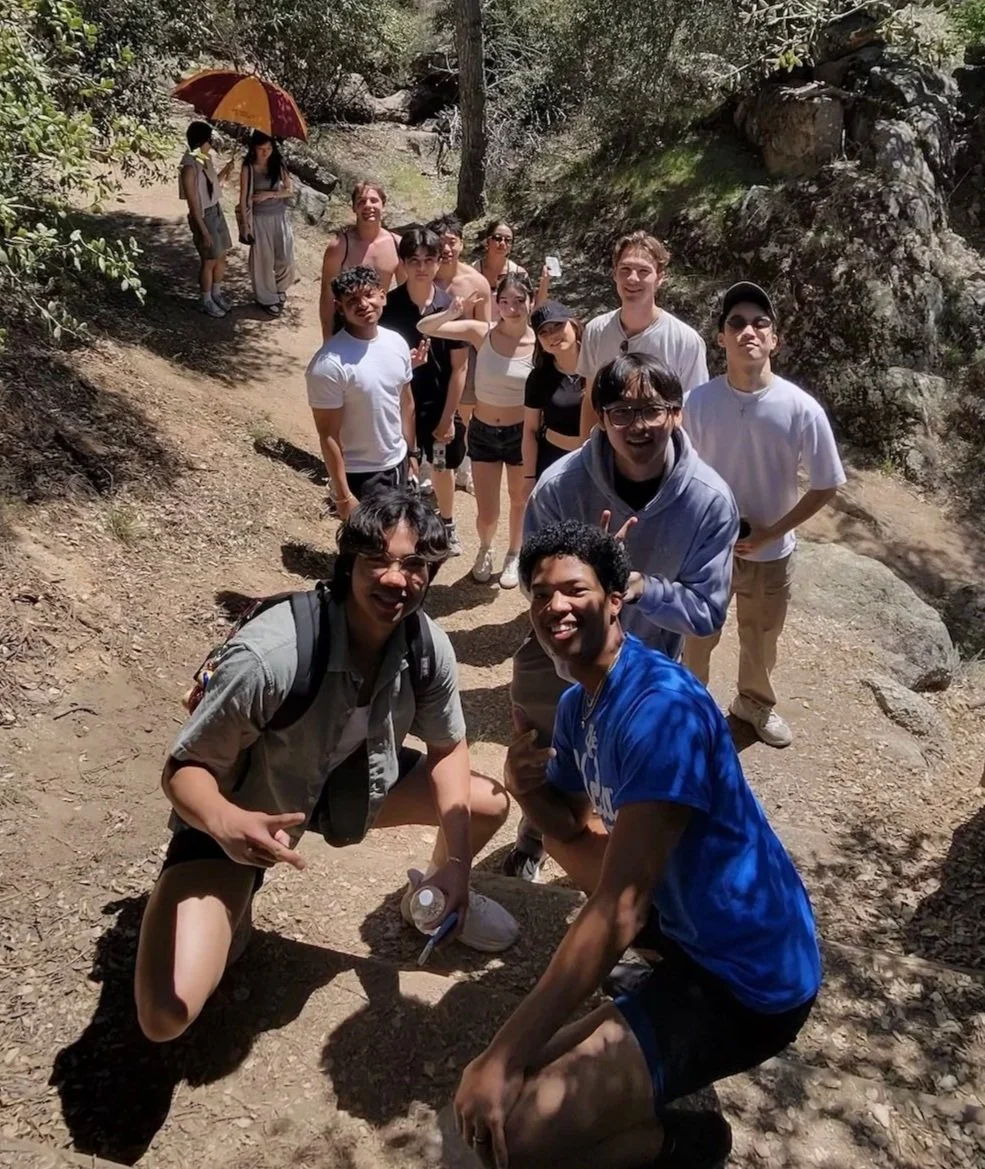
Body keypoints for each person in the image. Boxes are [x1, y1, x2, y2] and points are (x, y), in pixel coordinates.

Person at [453, 520, 820, 1169]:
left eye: (574, 589)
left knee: (518, 1142)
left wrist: (502, 1052)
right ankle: (644, 1005)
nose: (554, 605)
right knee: (505, 1116)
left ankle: (687, 1143)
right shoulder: (579, 705)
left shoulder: (661, 711)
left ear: (615, 599)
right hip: (683, 937)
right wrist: (520, 782)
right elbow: (568, 824)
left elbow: (618, 905)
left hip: (747, 983)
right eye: (540, 593)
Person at [134, 490, 520, 1043]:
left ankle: (433, 899)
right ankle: (228, 901)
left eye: (414, 564)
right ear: (348, 562)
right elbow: (182, 769)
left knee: (486, 805)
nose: (396, 579)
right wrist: (224, 823)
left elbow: (447, 749)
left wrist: (458, 863)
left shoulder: (424, 645)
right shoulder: (272, 657)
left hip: (353, 785)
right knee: (164, 1016)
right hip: (248, 807)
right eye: (377, 559)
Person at [503, 353, 737, 883]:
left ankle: (621, 882)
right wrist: (581, 583)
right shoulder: (561, 486)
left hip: (647, 671)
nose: (638, 425)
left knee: (626, 782)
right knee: (544, 760)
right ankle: (533, 842)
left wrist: (639, 587)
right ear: (601, 417)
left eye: (652, 409)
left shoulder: (708, 502)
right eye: (621, 411)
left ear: (676, 413)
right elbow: (531, 583)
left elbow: (706, 611)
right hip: (558, 660)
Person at [682, 282, 846, 748]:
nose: (748, 331)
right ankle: (690, 708)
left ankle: (753, 705)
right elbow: (679, 470)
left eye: (760, 323)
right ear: (721, 338)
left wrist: (775, 531)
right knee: (697, 635)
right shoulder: (697, 402)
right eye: (736, 323)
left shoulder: (800, 408)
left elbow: (827, 482)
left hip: (771, 552)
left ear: (774, 339)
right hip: (707, 549)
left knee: (761, 638)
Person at [417, 273, 536, 588]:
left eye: (519, 301)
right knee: (487, 512)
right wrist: (451, 313)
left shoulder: (539, 344)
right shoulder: (481, 332)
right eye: (504, 301)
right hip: (483, 432)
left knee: (519, 500)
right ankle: (486, 548)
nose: (511, 309)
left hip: (522, 434)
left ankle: (514, 554)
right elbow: (424, 327)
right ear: (497, 304)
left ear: (531, 302)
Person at [380, 227, 468, 555]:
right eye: (414, 260)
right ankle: (401, 531)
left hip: (439, 402)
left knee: (442, 465)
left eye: (429, 260)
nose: (422, 267)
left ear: (439, 262)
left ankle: (447, 523)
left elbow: (460, 368)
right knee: (401, 466)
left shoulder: (450, 306)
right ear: (403, 263)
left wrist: (448, 417)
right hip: (398, 403)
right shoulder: (388, 308)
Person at [306, 266, 417, 520]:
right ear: (339, 307)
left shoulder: (397, 342)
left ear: (382, 295)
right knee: (369, 544)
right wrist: (343, 495)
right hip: (361, 474)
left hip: (398, 463)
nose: (363, 304)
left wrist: (411, 453)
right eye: (352, 300)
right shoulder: (329, 364)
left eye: (368, 295)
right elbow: (328, 435)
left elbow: (406, 402)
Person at [577, 231, 709, 441]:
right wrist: (585, 452)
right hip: (607, 452)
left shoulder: (685, 341)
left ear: (660, 278)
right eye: (625, 269)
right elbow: (590, 401)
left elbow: (695, 411)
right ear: (614, 274)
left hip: (662, 451)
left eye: (643, 271)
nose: (632, 278)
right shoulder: (596, 331)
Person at [428, 213, 492, 495]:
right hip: (430, 357)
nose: (446, 248)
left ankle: (464, 466)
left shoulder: (477, 283)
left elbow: (484, 331)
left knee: (463, 417)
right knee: (431, 414)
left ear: (462, 244)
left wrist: (487, 374)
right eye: (440, 242)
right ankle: (431, 467)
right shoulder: (423, 275)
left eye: (452, 242)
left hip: (467, 361)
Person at [320, 182, 404, 341]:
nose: (368, 206)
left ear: (383, 205)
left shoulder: (397, 245)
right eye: (361, 201)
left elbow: (405, 293)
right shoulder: (339, 247)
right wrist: (327, 336)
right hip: (347, 324)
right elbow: (327, 295)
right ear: (354, 208)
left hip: (381, 322)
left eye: (374, 200)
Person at [521, 301, 585, 486]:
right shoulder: (539, 377)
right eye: (544, 332)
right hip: (553, 462)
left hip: (597, 462)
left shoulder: (599, 367)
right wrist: (529, 478)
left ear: (573, 325)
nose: (552, 335)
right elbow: (530, 429)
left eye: (558, 326)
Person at [179, 121, 237, 318]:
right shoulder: (189, 168)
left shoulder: (205, 160)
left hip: (216, 210)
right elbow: (193, 204)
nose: (211, 144)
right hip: (203, 216)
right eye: (209, 140)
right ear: (200, 142)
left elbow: (212, 185)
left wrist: (225, 171)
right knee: (209, 260)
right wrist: (203, 231)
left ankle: (216, 293)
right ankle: (205, 300)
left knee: (221, 255)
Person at [239, 130, 295, 316]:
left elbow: (289, 190)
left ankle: (279, 289)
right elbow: (244, 197)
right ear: (254, 148)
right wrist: (245, 224)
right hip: (259, 218)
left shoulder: (278, 164)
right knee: (263, 260)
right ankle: (267, 298)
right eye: (261, 148)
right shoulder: (248, 167)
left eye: (269, 148)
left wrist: (269, 195)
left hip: (280, 215)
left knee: (286, 258)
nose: (265, 152)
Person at [472, 220, 551, 317]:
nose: (502, 243)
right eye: (497, 238)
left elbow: (532, 308)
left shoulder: (518, 273)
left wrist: (545, 282)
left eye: (508, 240)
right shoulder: (472, 271)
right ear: (487, 241)